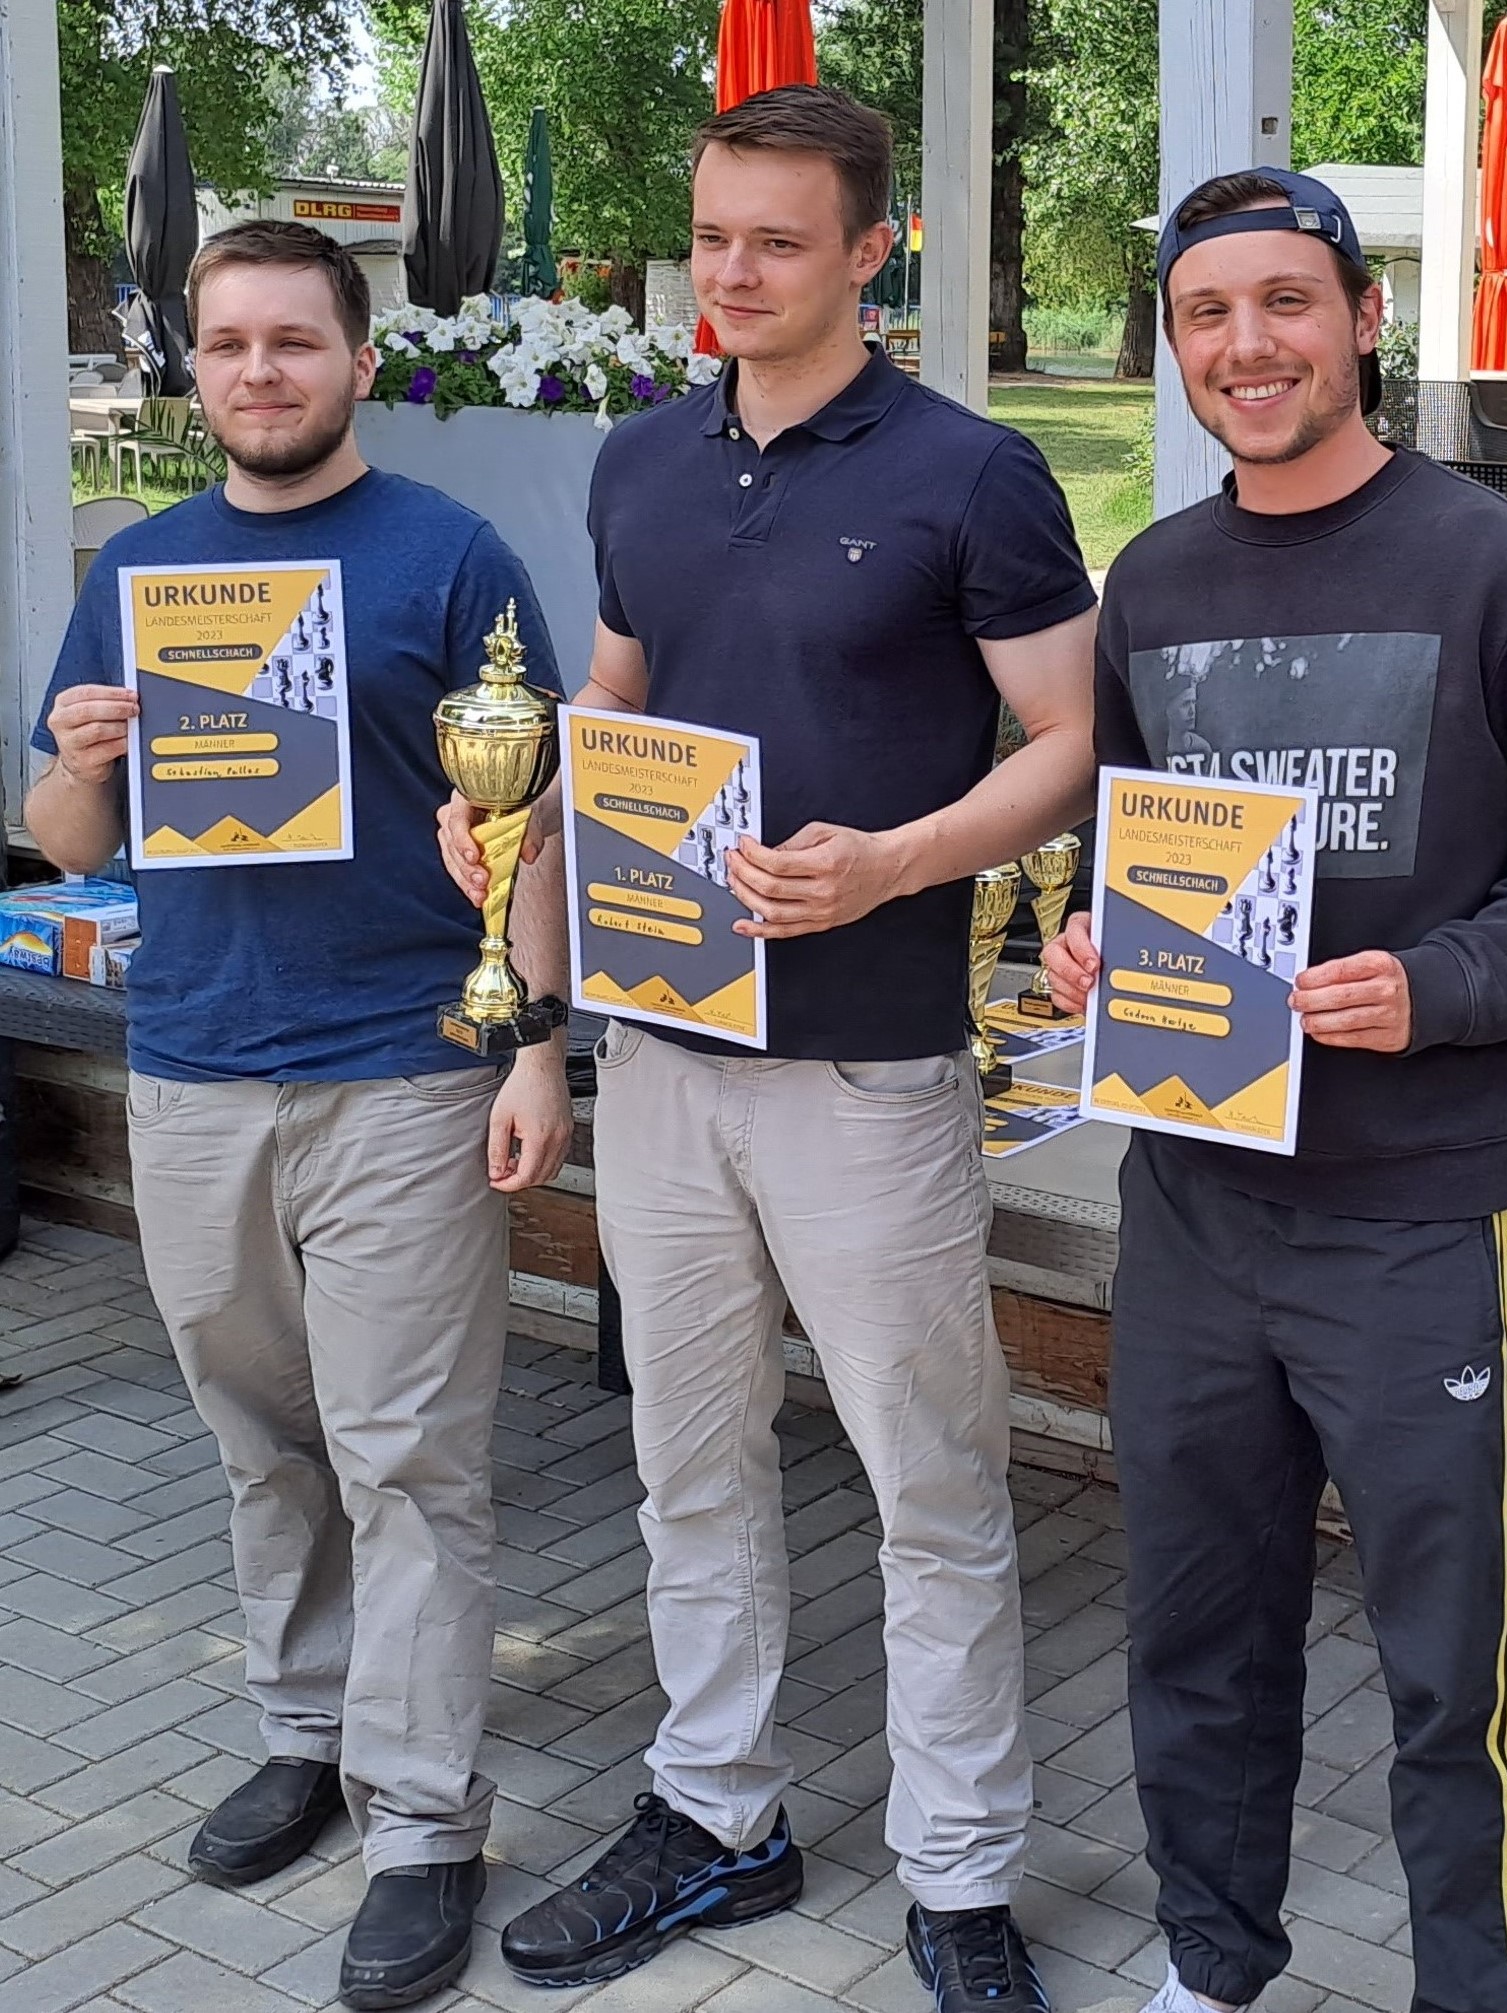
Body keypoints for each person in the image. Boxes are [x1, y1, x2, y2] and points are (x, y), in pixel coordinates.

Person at [439, 83, 1096, 2013]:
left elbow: (1073, 742)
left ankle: (960, 1873)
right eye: (712, 235)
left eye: (778, 242)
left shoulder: (974, 474)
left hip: (868, 1072)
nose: (730, 273)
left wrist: (897, 859)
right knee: (690, 1469)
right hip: (660, 1058)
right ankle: (718, 1812)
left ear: (871, 251)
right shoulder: (640, 460)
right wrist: (519, 825)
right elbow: (612, 712)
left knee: (930, 1487)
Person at [1045, 169, 1507, 2013]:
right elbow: (1138, 833)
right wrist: (1095, 939)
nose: (1245, 344)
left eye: (1284, 302)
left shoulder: (1503, 572)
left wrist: (1437, 985)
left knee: (1448, 1672)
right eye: (1205, 312)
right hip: (1192, 1200)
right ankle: (1210, 1961)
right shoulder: (1155, 581)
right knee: (1194, 1633)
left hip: (1417, 1217)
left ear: (1360, 320)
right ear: (1175, 344)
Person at [26, 220, 573, 2012]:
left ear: (357, 360)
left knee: (406, 1450)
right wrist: (84, 760)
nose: (259, 372)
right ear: (194, 367)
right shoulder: (144, 566)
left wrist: (535, 1041)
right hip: (192, 1063)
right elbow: (67, 835)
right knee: (261, 1432)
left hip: (403, 1066)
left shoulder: (450, 554)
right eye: (228, 345)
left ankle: (422, 1819)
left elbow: (537, 822)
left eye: (293, 341)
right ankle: (303, 1728)